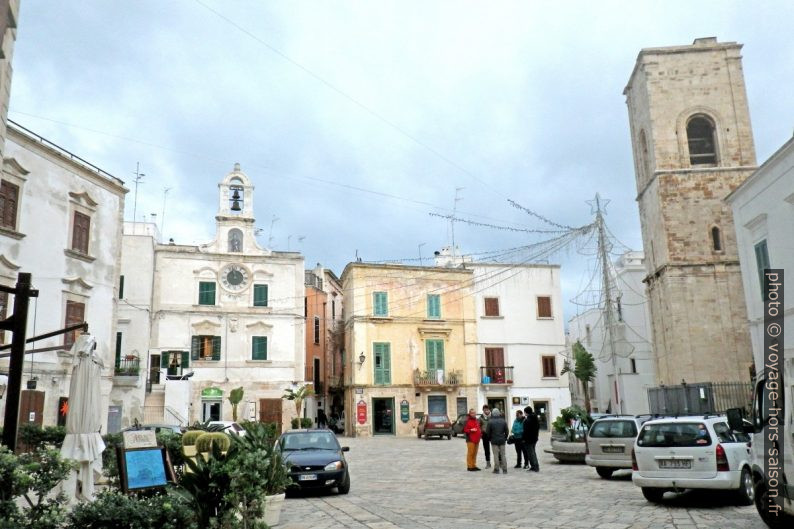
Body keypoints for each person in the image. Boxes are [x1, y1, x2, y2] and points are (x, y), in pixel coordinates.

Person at [486, 408, 509, 474]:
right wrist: (505, 437)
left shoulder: (490, 421)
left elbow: (488, 432)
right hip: (502, 440)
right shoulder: (503, 421)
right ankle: (505, 469)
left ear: (492, 413)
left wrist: (490, 438)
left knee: (495, 455)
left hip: (494, 440)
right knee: (503, 455)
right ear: (499, 413)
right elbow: (507, 431)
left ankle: (496, 469)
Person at [523, 405, 540, 472]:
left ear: (526, 412)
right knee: (533, 452)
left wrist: (524, 439)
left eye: (525, 412)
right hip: (534, 438)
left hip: (529, 439)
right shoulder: (535, 418)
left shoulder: (528, 420)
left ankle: (535, 466)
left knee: (531, 453)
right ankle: (535, 466)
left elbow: (526, 431)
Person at [478, 404, 492, 468]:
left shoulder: (493, 416)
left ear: (489, 410)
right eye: (485, 410)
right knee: (486, 449)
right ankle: (488, 463)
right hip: (485, 434)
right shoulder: (481, 417)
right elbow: (478, 426)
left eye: (487, 410)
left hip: (492, 434)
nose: (486, 411)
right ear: (483, 410)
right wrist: (481, 431)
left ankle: (499, 462)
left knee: (496, 448)